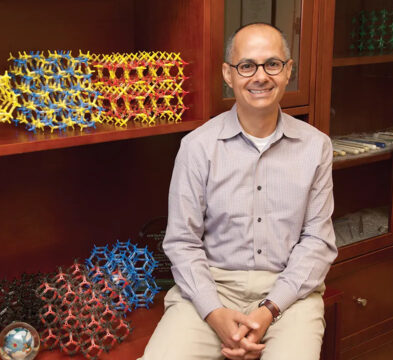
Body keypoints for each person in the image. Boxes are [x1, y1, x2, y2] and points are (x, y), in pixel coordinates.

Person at [139, 23, 337, 360]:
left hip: (288, 294)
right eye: (246, 66)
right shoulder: (197, 147)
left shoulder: (316, 146)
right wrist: (215, 314)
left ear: (288, 71)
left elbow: (318, 241)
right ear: (228, 75)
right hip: (210, 289)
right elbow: (182, 242)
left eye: (272, 64)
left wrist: (268, 310)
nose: (260, 76)